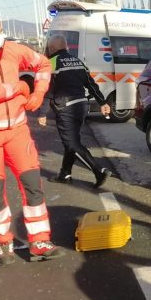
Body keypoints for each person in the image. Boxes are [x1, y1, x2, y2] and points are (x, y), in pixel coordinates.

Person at [0, 10, 64, 266]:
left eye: (1, 30)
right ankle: (3, 243)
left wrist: (39, 92)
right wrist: (23, 87)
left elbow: (43, 64)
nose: (0, 37)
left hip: (17, 131)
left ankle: (39, 241)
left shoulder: (12, 49)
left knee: (32, 185)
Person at [37, 34, 111, 188]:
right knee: (72, 143)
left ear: (51, 48)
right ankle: (65, 174)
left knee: (71, 144)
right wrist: (102, 102)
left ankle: (98, 170)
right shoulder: (78, 62)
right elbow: (91, 84)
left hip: (66, 108)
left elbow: (47, 91)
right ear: (66, 47)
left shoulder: (50, 63)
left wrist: (42, 113)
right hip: (82, 107)